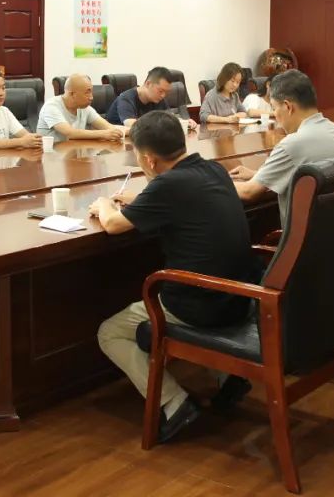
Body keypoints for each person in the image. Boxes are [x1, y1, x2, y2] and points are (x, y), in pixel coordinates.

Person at [90, 111, 261, 442]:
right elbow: (177, 200)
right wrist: (141, 201)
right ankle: (228, 378)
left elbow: (112, 225)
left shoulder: (168, 185)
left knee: (109, 333)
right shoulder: (212, 169)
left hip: (201, 307)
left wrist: (103, 205)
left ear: (149, 160)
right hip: (240, 297)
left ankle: (173, 404)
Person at [230, 70, 334, 225]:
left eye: (274, 108)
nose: (275, 115)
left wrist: (217, 181)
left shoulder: (292, 144)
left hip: (306, 238)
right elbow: (310, 173)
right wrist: (257, 174)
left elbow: (248, 192)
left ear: (288, 106)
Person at [36, 74, 125, 143]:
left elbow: (108, 127)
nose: (91, 97)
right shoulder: (51, 106)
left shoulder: (84, 107)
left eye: (91, 92)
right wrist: (103, 134)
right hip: (50, 157)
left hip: (75, 153)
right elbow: (70, 133)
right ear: (72, 94)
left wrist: (131, 131)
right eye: (87, 92)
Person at [106, 67, 198, 129]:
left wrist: (183, 122)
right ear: (148, 84)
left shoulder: (158, 99)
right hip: (117, 145)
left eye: (166, 92)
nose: (163, 95)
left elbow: (169, 118)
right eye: (161, 91)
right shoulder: (126, 98)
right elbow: (132, 125)